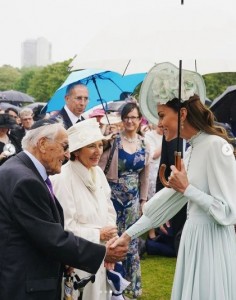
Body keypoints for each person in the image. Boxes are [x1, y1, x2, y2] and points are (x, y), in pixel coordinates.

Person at [111, 64, 236, 300]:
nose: (158, 124)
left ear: (182, 114)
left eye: (161, 116)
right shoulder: (190, 150)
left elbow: (229, 212)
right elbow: (165, 204)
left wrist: (187, 189)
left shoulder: (216, 146)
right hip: (192, 238)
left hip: (213, 244)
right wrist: (127, 236)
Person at [0, 119, 128, 300]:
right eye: (64, 146)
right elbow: (52, 238)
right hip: (25, 284)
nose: (66, 154)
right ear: (43, 144)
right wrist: (103, 252)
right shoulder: (25, 181)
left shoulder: (19, 170)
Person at [50, 118, 118, 300]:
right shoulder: (63, 178)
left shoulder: (98, 174)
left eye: (100, 145)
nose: (98, 152)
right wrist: (98, 235)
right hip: (78, 259)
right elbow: (64, 228)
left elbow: (109, 210)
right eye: (91, 146)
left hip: (102, 256)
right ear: (77, 151)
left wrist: (111, 240)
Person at [99, 102, 150, 299]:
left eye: (134, 117)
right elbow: (100, 170)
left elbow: (144, 177)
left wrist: (144, 200)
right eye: (126, 117)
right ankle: (112, 289)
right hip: (112, 200)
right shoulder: (113, 141)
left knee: (131, 243)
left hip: (132, 203)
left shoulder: (144, 144)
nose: (130, 121)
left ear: (139, 120)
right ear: (122, 119)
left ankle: (130, 288)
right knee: (112, 243)